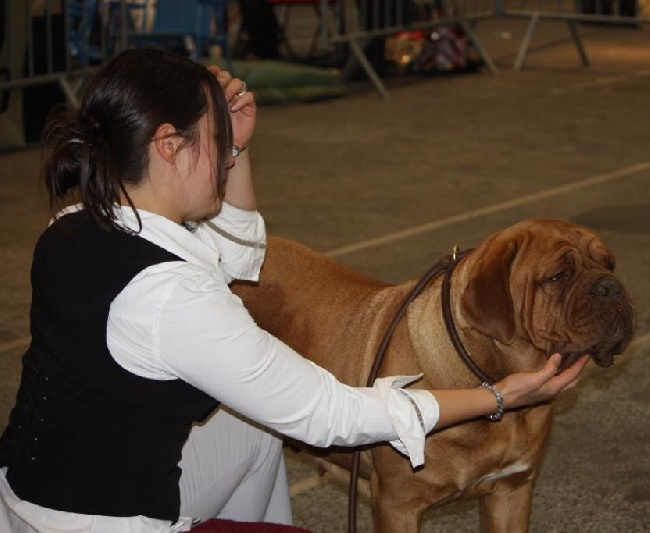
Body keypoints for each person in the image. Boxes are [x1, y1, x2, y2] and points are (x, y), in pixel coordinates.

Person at [0, 48, 588, 532]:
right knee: (293, 420)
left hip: (26, 494)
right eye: (216, 137)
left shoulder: (76, 221)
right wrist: (501, 396)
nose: (225, 154)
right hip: (105, 524)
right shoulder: (172, 297)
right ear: (169, 145)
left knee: (254, 431)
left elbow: (237, 259)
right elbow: (328, 414)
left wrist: (236, 150)